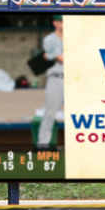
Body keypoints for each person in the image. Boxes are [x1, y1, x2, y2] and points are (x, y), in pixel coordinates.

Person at [38, 15, 64, 150]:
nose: (64, 24)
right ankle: (43, 145)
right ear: (55, 22)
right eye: (62, 21)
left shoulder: (76, 37)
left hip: (74, 79)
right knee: (49, 114)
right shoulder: (49, 39)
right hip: (56, 78)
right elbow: (62, 58)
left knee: (78, 115)